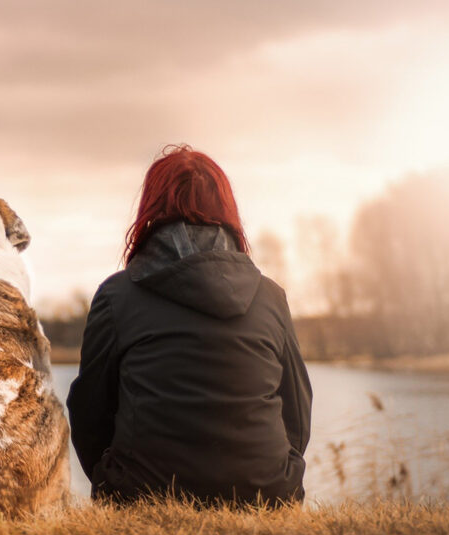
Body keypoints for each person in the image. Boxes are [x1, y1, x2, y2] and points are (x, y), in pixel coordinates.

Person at [66, 145, 312, 506]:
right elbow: (298, 410)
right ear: (227, 210)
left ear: (151, 209)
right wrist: (280, 473)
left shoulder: (117, 296)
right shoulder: (271, 297)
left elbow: (89, 411)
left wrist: (112, 479)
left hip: (142, 494)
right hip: (266, 494)